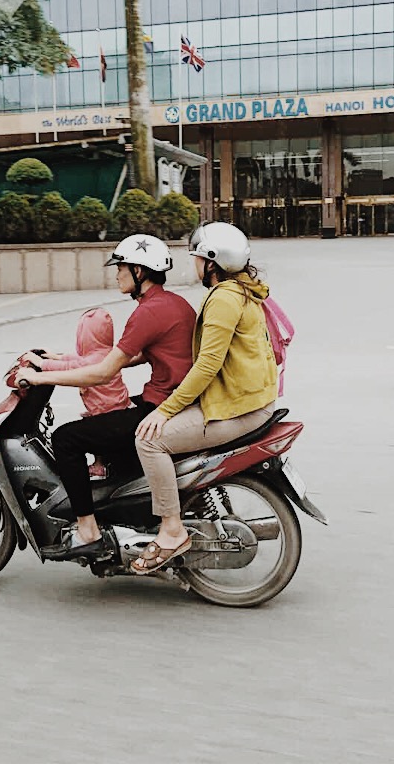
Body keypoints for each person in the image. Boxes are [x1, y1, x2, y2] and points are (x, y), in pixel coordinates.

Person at [15, 235, 196, 558]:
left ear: (140, 271)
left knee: (66, 438)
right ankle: (126, 512)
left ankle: (87, 529)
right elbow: (125, 356)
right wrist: (56, 358)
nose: (117, 274)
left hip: (162, 406)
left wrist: (40, 375)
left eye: (122, 268)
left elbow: (102, 372)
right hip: (171, 401)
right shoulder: (172, 304)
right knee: (109, 427)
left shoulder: (149, 312)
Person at [131, 222, 278, 575]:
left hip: (239, 408)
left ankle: (171, 530)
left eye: (197, 257)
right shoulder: (242, 290)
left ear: (212, 262)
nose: (193, 264)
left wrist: (165, 411)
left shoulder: (224, 298)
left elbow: (206, 366)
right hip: (251, 400)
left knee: (149, 440)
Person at [33, 307, 132, 479]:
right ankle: (99, 465)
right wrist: (55, 357)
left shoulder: (94, 360)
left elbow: (73, 367)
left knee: (72, 436)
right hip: (114, 407)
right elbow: (77, 360)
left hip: (108, 412)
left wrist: (41, 365)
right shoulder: (107, 354)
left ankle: (83, 481)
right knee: (90, 421)